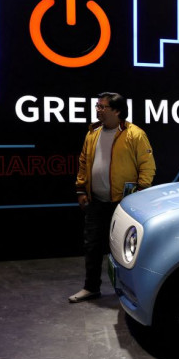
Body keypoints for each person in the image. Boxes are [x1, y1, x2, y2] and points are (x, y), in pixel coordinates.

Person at [70, 92, 156, 303]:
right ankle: (91, 288)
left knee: (123, 250)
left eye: (102, 107)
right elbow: (83, 163)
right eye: (97, 106)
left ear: (117, 110)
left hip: (124, 204)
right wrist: (81, 190)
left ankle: (128, 292)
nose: (98, 110)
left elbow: (147, 167)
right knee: (92, 246)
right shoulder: (93, 133)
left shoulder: (135, 134)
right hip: (96, 202)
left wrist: (139, 194)